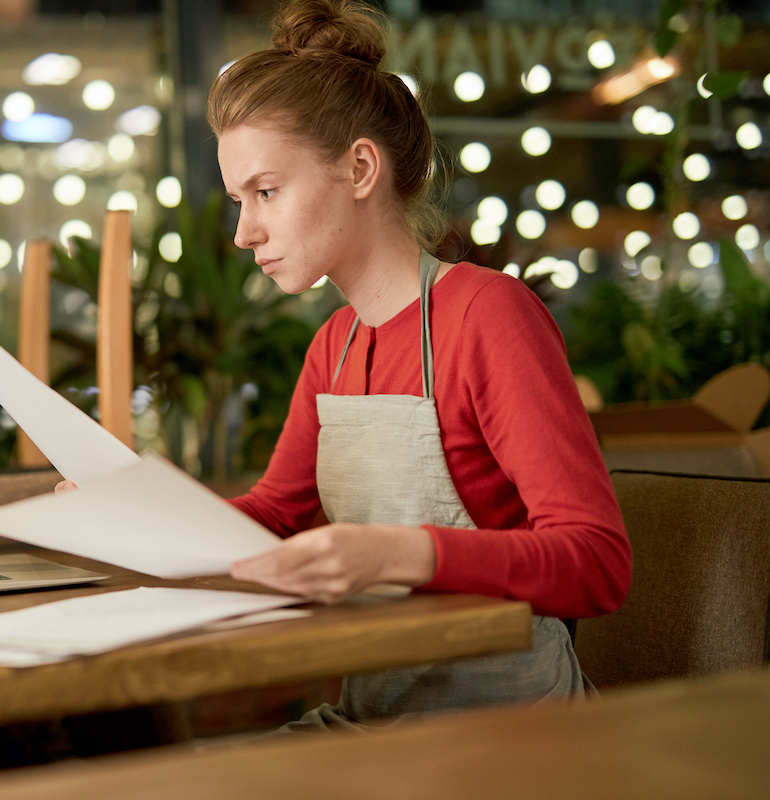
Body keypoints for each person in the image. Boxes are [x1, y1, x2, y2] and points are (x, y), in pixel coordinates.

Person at [204, 0, 632, 730]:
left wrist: (400, 553)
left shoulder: (487, 315)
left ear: (361, 167)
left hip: (513, 734)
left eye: (266, 192)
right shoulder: (333, 344)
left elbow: (596, 561)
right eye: (239, 200)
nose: (245, 231)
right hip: (374, 722)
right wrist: (127, 510)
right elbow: (272, 518)